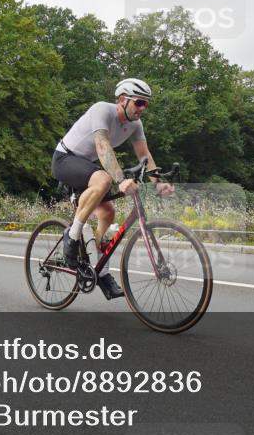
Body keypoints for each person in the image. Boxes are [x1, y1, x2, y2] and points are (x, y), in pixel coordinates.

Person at [52, 78, 174, 300]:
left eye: (146, 104)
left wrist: (159, 183)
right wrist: (121, 179)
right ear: (122, 100)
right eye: (139, 102)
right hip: (65, 159)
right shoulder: (101, 110)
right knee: (105, 180)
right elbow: (102, 147)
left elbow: (144, 155)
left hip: (87, 165)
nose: (142, 108)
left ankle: (100, 269)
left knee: (108, 213)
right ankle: (71, 236)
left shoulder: (136, 124)